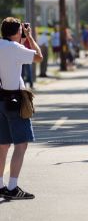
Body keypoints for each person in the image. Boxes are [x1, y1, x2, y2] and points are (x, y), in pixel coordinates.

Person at [0, 17, 43, 200]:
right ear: (17, 32)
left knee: (2, 145)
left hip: (0, 100)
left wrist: (22, 38)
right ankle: (12, 186)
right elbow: (39, 57)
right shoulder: (16, 48)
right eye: (20, 31)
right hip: (14, 101)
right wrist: (30, 37)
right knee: (21, 144)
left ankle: (0, 185)